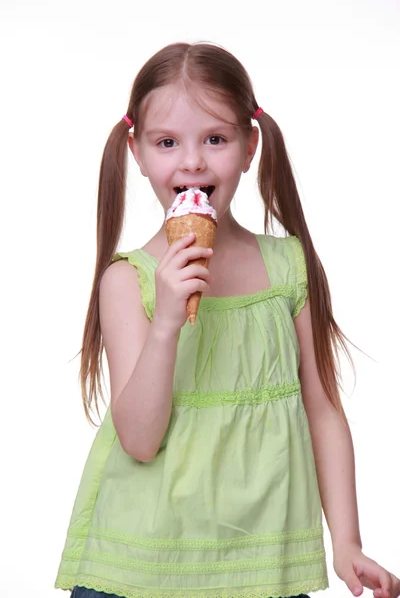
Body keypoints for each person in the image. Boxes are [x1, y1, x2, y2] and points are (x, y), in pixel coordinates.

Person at [54, 42, 400, 598]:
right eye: (167, 143)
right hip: (141, 570)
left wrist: (347, 542)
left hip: (262, 568)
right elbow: (139, 440)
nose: (192, 162)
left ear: (249, 146)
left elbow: (323, 412)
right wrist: (166, 319)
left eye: (215, 139)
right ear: (137, 153)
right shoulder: (129, 281)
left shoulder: (289, 267)